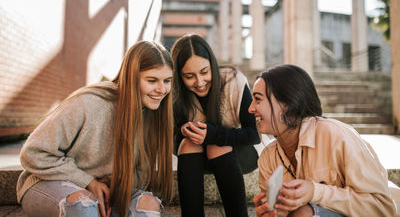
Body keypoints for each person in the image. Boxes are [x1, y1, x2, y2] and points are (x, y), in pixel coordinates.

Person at [16, 41, 175, 217]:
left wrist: (110, 189)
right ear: (131, 77)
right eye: (152, 80)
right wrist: (88, 182)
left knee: (148, 205)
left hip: (106, 190)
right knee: (83, 205)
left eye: (167, 81)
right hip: (49, 183)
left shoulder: (154, 113)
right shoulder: (89, 104)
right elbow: (33, 153)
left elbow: (139, 175)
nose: (162, 89)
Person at [249, 64, 396, 217]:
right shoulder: (268, 158)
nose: (250, 108)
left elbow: (382, 207)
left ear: (286, 104)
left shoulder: (336, 136)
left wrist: (315, 192)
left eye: (258, 99)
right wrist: (270, 213)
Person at [170, 33, 261, 217]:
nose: (200, 82)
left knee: (215, 145)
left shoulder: (233, 80)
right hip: (192, 157)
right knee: (189, 142)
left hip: (236, 154)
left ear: (212, 64)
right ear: (179, 76)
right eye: (189, 76)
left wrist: (214, 135)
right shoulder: (174, 91)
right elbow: (169, 137)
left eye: (204, 72)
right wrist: (183, 131)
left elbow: (253, 134)